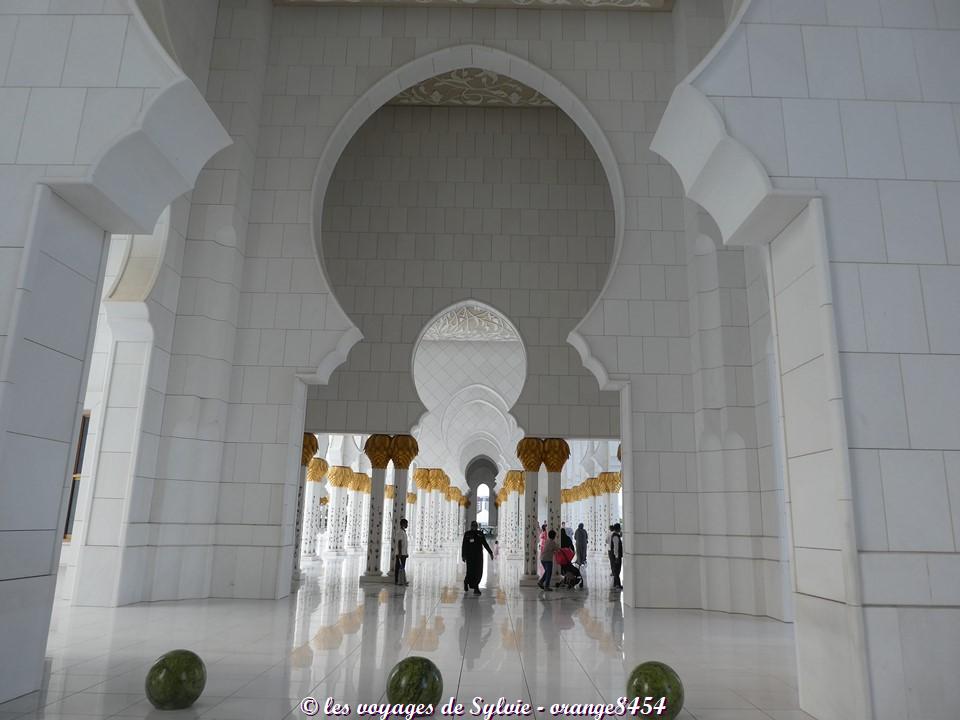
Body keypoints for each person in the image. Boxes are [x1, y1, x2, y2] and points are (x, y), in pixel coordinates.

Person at [461, 520, 493, 595]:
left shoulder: (480, 534)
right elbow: (464, 545)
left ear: (477, 526)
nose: (474, 527)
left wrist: (490, 552)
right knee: (470, 571)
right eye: (473, 526)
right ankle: (466, 582)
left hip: (478, 556)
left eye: (475, 526)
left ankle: (476, 587)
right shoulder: (467, 534)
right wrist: (463, 555)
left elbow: (485, 544)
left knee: (478, 572)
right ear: (471, 526)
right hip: (470, 557)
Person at [394, 518, 409, 585]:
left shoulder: (403, 532)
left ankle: (401, 580)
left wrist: (406, 553)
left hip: (403, 553)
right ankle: (397, 581)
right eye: (406, 523)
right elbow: (399, 542)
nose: (407, 525)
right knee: (399, 567)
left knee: (402, 567)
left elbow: (404, 543)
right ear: (403, 524)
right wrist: (400, 553)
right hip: (400, 553)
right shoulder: (400, 532)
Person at [609, 523, 623, 590]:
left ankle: (615, 584)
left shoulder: (615, 535)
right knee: (617, 570)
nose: (620, 529)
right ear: (618, 529)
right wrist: (617, 557)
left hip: (614, 555)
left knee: (616, 570)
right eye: (620, 528)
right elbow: (616, 547)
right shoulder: (615, 536)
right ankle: (618, 584)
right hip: (615, 556)